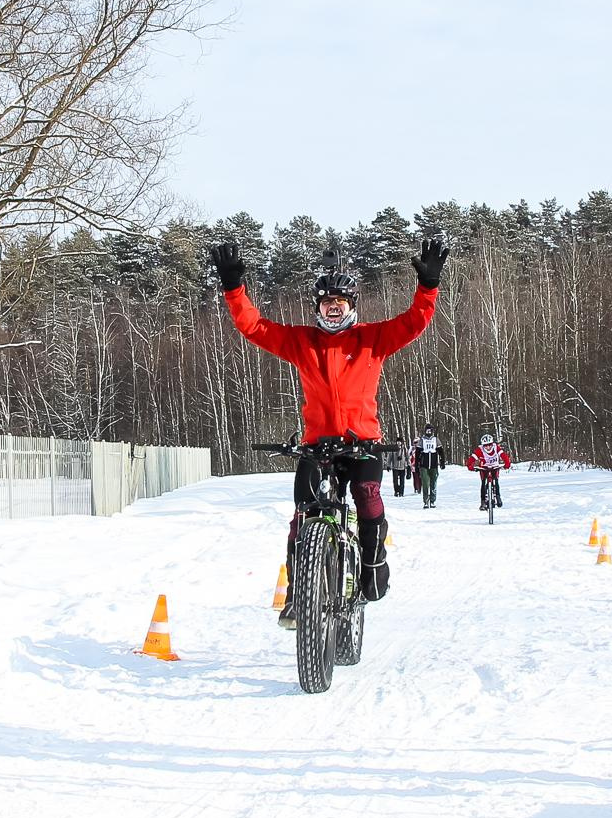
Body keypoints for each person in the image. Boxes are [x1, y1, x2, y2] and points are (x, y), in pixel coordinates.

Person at [207, 240, 447, 626]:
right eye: (326, 301)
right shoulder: (303, 342)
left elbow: (414, 322)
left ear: (352, 305)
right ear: (317, 307)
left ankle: (372, 566)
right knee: (303, 516)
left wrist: (428, 287)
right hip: (318, 447)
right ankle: (299, 595)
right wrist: (234, 287)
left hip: (363, 444)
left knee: (367, 500)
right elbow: (254, 326)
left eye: (340, 301)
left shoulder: (372, 339)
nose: (333, 307)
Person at [465, 433, 511, 508]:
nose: (488, 447)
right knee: (483, 482)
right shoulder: (480, 450)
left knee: (496, 480)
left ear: (492, 444)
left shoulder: (496, 448)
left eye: (490, 445)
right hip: (484, 468)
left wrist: (507, 464)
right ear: (483, 446)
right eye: (486, 445)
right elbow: (471, 459)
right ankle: (483, 501)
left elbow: (504, 456)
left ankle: (498, 496)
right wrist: (470, 466)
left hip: (494, 467)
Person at [414, 426, 447, 508]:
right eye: (427, 431)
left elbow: (441, 452)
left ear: (432, 431)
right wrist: (417, 466)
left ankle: (432, 501)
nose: (428, 432)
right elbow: (417, 454)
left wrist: (442, 462)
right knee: (425, 484)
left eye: (430, 431)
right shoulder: (422, 440)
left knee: (433, 483)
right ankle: (425, 501)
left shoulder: (436, 440)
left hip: (434, 465)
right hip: (424, 466)